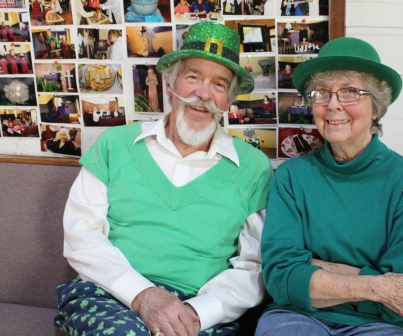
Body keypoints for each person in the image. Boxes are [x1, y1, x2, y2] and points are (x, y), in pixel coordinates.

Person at [54, 21, 273, 336]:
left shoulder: (254, 167)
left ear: (229, 100)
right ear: (170, 84)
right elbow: (81, 237)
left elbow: (254, 267)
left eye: (219, 85)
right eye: (193, 77)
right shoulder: (114, 145)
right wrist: (142, 294)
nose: (203, 94)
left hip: (200, 308)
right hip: (110, 294)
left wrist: (196, 312)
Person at [256, 37, 403, 336]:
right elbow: (282, 278)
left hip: (384, 324)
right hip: (298, 316)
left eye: (351, 92)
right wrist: (377, 285)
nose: (333, 104)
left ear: (377, 107)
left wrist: (312, 267)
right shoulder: (291, 177)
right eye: (322, 93)